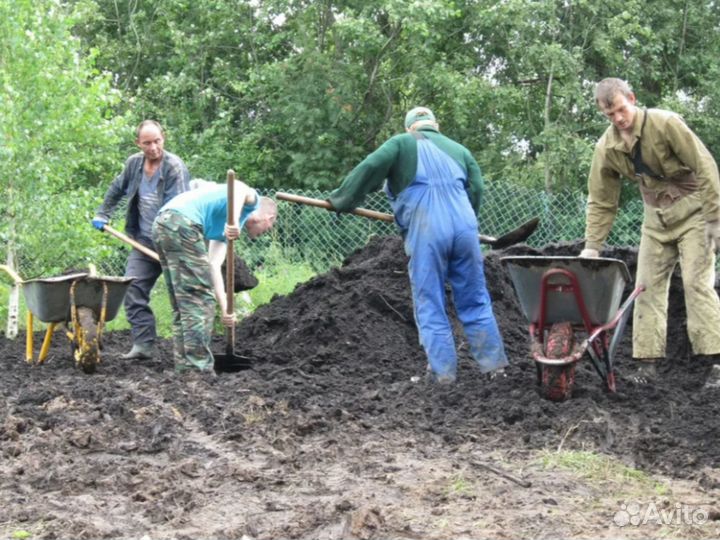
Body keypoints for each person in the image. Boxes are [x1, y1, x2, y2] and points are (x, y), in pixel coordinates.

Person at [328, 106, 508, 384]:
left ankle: (443, 375)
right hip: (466, 229)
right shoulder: (460, 150)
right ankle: (495, 368)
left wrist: (343, 200)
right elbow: (477, 190)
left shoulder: (401, 143)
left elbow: (371, 167)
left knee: (430, 301)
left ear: (409, 127)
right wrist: (466, 225)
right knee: (475, 299)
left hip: (428, 230)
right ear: (435, 125)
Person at [580, 77, 720, 388]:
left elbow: (705, 165)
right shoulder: (607, 146)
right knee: (645, 288)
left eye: (620, 110)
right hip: (655, 222)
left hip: (694, 215)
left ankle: (715, 363)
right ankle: (647, 366)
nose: (618, 119)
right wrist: (592, 246)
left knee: (697, 284)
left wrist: (714, 218)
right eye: (609, 115)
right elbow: (602, 199)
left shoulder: (665, 123)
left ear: (632, 98)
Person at [151, 180, 277, 374]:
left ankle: (184, 367)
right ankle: (198, 370)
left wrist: (226, 308)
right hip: (182, 223)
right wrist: (232, 221)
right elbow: (240, 187)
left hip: (163, 224)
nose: (267, 231)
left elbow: (213, 266)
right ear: (269, 217)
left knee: (183, 302)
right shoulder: (250, 202)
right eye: (271, 225)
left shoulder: (222, 229)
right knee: (199, 301)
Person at [92, 120, 191, 359]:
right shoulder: (134, 164)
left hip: (174, 242)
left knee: (183, 296)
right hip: (143, 241)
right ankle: (143, 345)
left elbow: (173, 210)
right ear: (138, 143)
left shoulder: (173, 167)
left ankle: (190, 350)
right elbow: (117, 188)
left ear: (163, 138)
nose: (154, 147)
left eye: (157, 141)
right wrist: (103, 213)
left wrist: (166, 248)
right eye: (147, 143)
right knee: (133, 288)